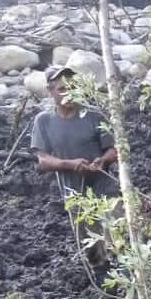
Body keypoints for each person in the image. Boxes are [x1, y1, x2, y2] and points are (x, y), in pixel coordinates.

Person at [30, 65, 120, 271]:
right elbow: (43, 160)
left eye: (72, 87)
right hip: (74, 193)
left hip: (105, 187)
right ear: (50, 91)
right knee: (91, 246)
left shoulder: (94, 115)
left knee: (118, 234)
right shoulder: (44, 121)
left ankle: (128, 278)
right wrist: (69, 164)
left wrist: (102, 161)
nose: (68, 92)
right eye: (61, 88)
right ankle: (103, 283)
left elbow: (114, 150)